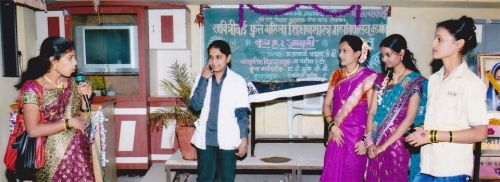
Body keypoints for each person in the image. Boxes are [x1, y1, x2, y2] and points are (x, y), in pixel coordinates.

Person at [405, 16, 488, 181]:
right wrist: (423, 131)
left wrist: (433, 135)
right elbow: (440, 121)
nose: (433, 44)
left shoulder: (471, 83)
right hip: (427, 165)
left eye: (439, 39)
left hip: (452, 169)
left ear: (458, 44)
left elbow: (480, 132)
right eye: (434, 38)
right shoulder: (435, 79)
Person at [14, 37, 94, 181]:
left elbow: (84, 122)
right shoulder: (32, 89)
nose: (75, 63)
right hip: (51, 159)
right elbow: (33, 130)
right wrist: (68, 123)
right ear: (53, 61)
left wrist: (85, 101)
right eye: (70, 58)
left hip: (80, 156)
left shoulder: (75, 84)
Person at [364, 34, 427, 182]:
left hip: (396, 146)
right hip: (375, 141)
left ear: (402, 53)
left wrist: (383, 147)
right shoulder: (380, 79)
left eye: (388, 55)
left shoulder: (414, 81)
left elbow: (409, 119)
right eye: (382, 55)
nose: (384, 59)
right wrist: (369, 142)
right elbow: (372, 111)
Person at [189, 40, 250, 182]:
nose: (214, 61)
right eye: (211, 57)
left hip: (228, 139)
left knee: (226, 178)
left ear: (228, 58)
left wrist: (244, 140)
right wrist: (204, 79)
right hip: (206, 139)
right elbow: (195, 105)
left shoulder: (237, 81)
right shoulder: (201, 78)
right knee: (205, 178)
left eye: (219, 57)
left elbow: (242, 113)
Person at [320, 35, 377, 181]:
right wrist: (332, 126)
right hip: (336, 133)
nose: (340, 55)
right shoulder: (336, 75)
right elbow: (327, 105)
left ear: (358, 54)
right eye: (340, 50)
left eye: (345, 51)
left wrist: (365, 140)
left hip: (357, 138)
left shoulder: (369, 77)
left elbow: (372, 112)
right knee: (332, 173)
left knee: (352, 175)